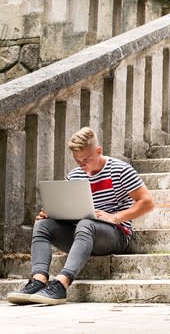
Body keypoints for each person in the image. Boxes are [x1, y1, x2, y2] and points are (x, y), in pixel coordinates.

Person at [7, 127, 154, 305]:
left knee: (86, 223)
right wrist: (52, 213)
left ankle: (61, 285)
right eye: (77, 161)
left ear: (98, 151)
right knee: (42, 226)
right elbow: (70, 210)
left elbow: (147, 202)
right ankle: (38, 280)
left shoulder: (120, 170)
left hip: (116, 234)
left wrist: (115, 217)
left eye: (86, 160)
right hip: (82, 235)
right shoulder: (75, 175)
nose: (81, 165)